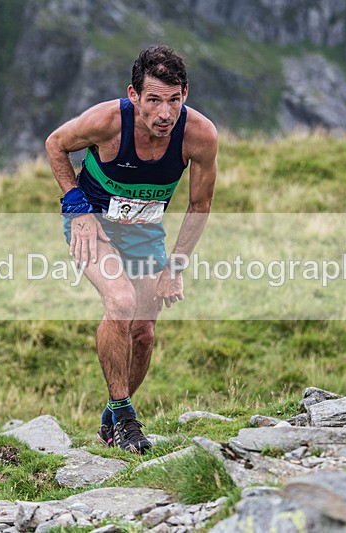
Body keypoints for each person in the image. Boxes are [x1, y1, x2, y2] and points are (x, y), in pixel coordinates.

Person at [44, 45, 218, 453]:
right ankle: (126, 420)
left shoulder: (199, 135)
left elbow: (199, 205)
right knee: (121, 302)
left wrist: (175, 266)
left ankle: (112, 416)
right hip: (93, 225)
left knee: (143, 331)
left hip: (144, 232)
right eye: (153, 100)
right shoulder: (107, 121)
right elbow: (55, 144)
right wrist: (76, 207)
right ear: (134, 94)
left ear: (185, 94)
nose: (164, 113)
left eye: (173, 100)